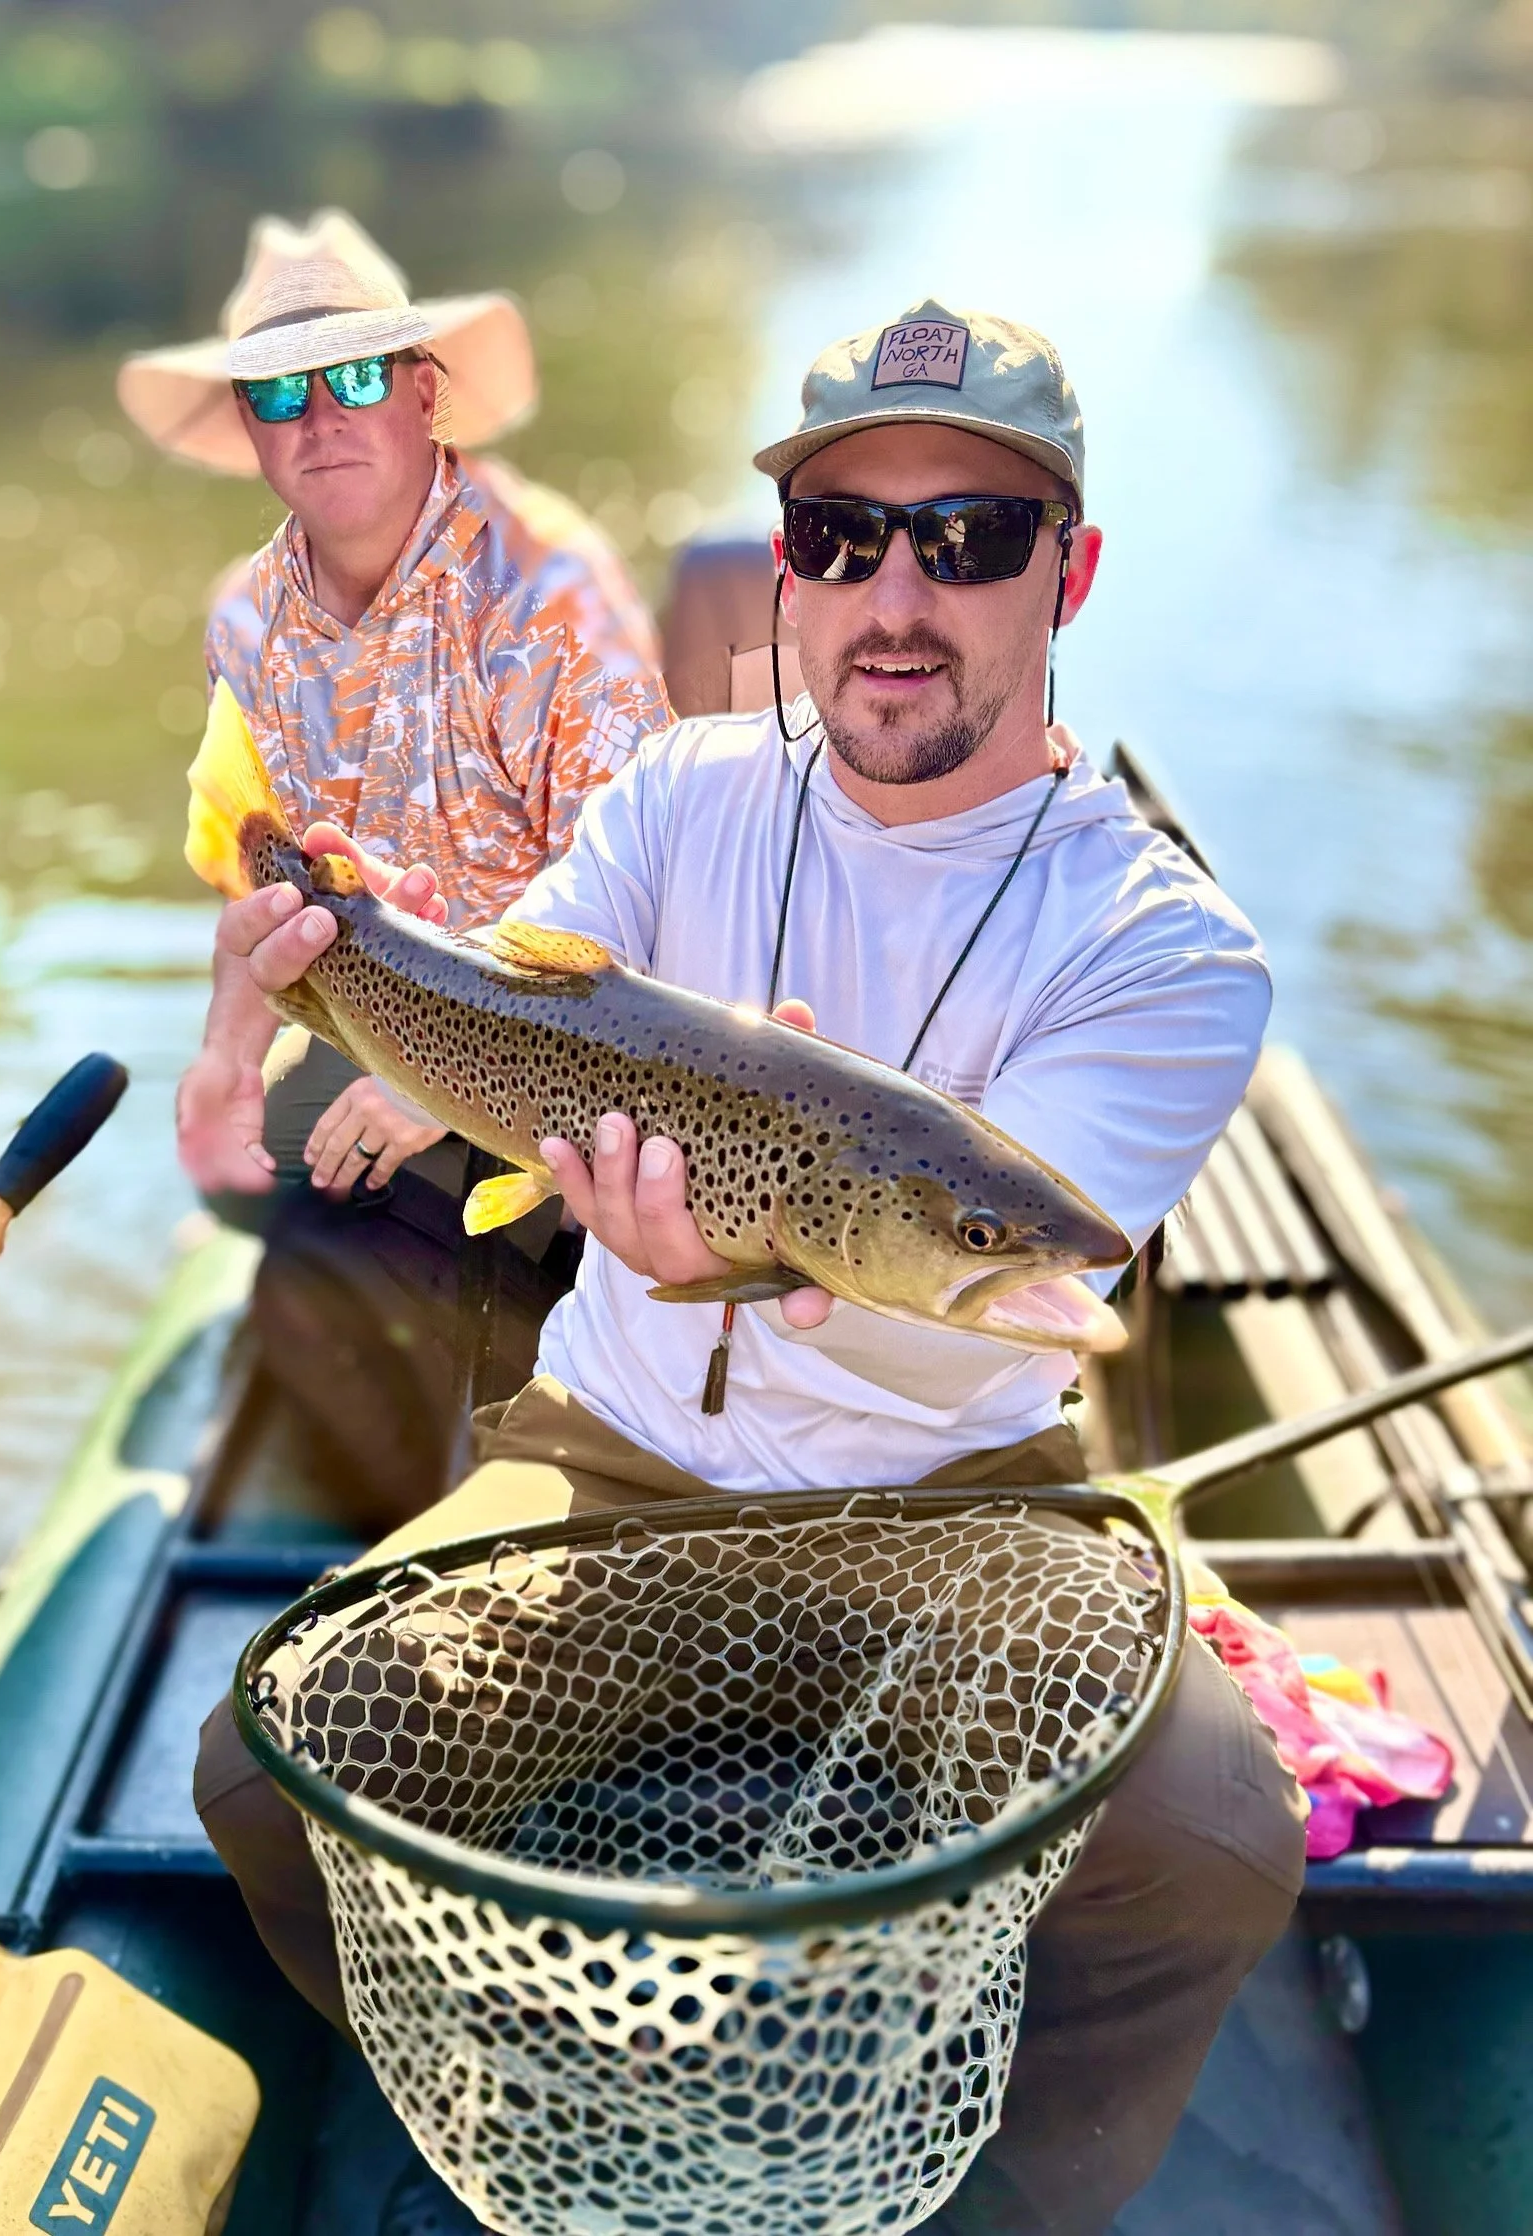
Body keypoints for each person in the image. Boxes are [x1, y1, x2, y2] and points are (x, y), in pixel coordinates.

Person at [191, 300, 1308, 2233]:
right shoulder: (677, 795)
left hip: (963, 1510)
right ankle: (555, 2120)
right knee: (267, 1771)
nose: (898, 592)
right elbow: (496, 985)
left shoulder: (1169, 950)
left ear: (1074, 570)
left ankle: (998, 2202)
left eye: (966, 537)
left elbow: (1001, 1323)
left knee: (1214, 1839)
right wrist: (318, 971)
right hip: (612, 1463)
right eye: (840, 537)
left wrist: (777, 1266)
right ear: (784, 574)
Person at [118, 209, 671, 1232]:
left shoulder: (550, 590)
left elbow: (648, 900)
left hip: (584, 1067)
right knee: (258, 1199)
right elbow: (258, 874)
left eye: (358, 377)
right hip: (379, 1030)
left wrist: (449, 1085)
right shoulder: (244, 619)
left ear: (424, 394)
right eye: (282, 390)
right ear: (250, 424)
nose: (320, 416)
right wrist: (225, 1058)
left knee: (454, 1242)